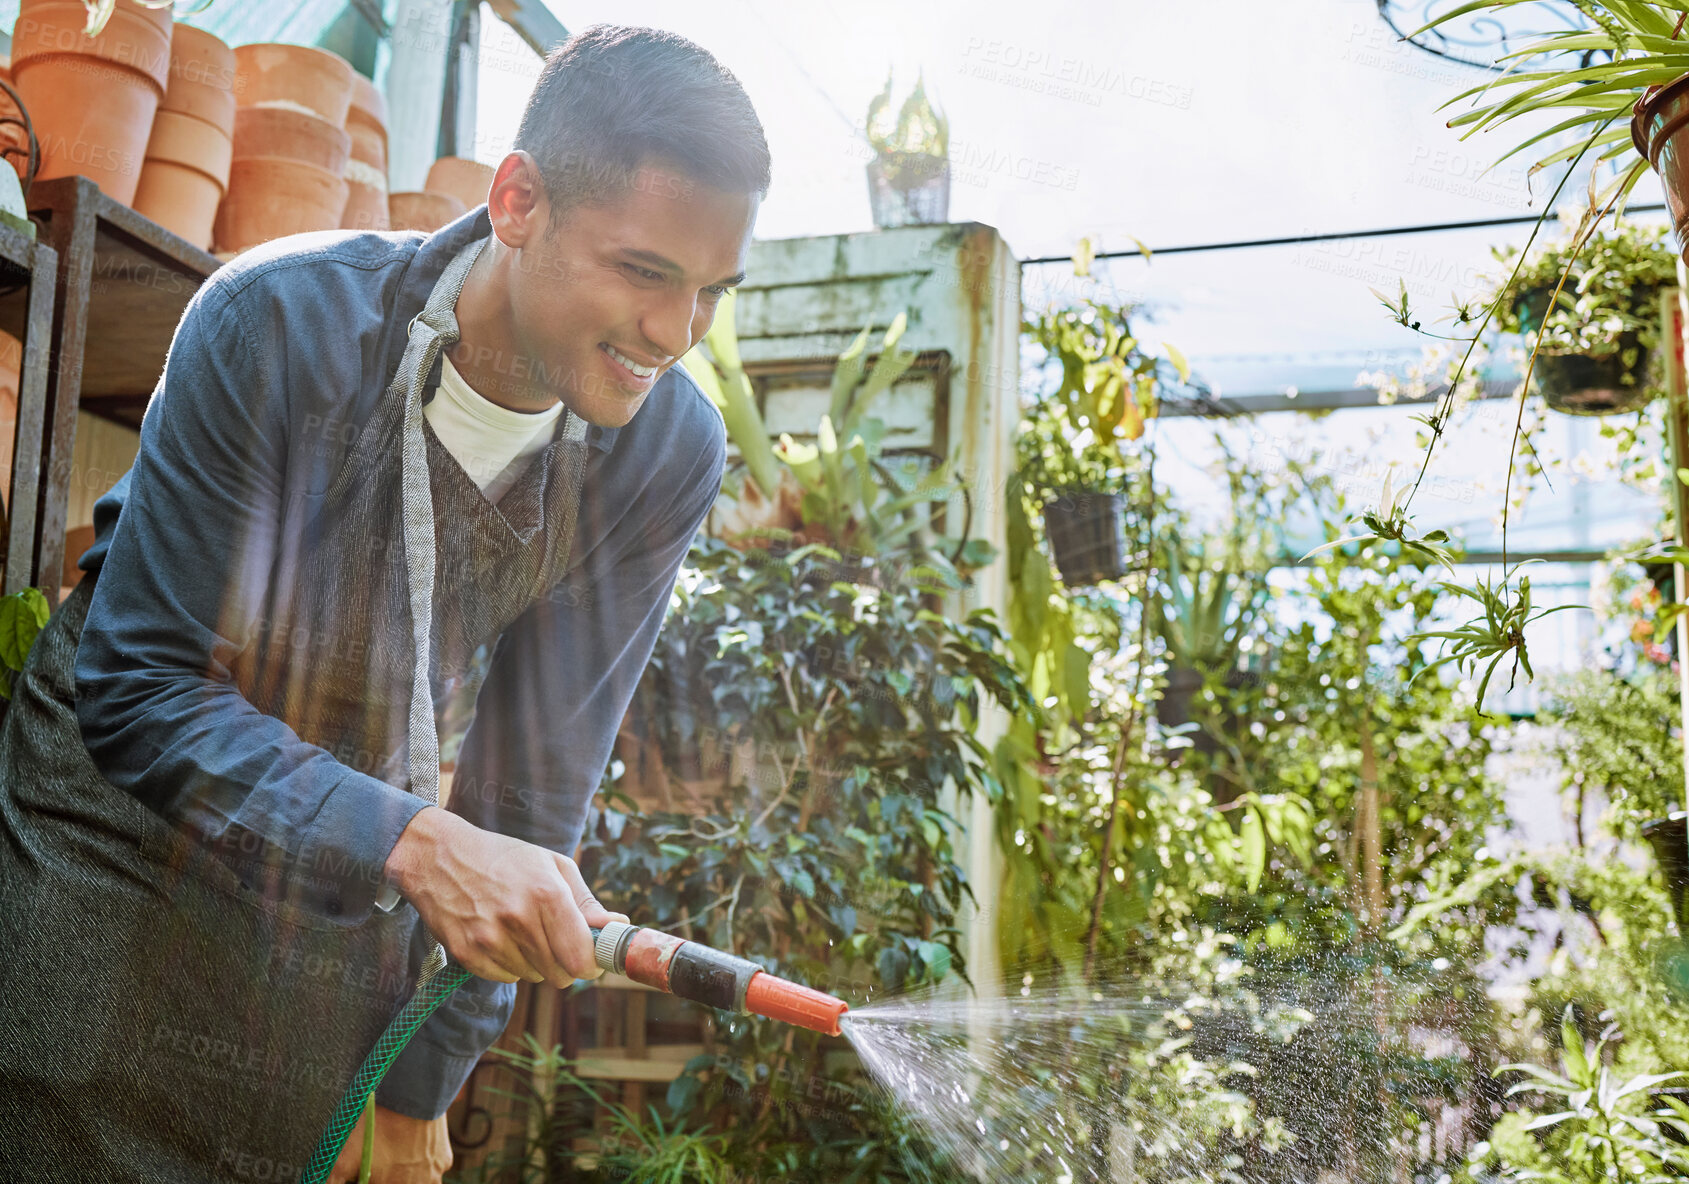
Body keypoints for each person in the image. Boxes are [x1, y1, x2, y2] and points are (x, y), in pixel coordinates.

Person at [0, 24, 767, 1184]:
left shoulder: (662, 450)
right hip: (116, 833)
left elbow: (532, 790)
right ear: (517, 200)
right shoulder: (277, 322)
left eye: (711, 290)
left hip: (330, 871)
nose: (675, 333)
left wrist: (423, 1080)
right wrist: (409, 838)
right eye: (646, 271)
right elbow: (138, 684)